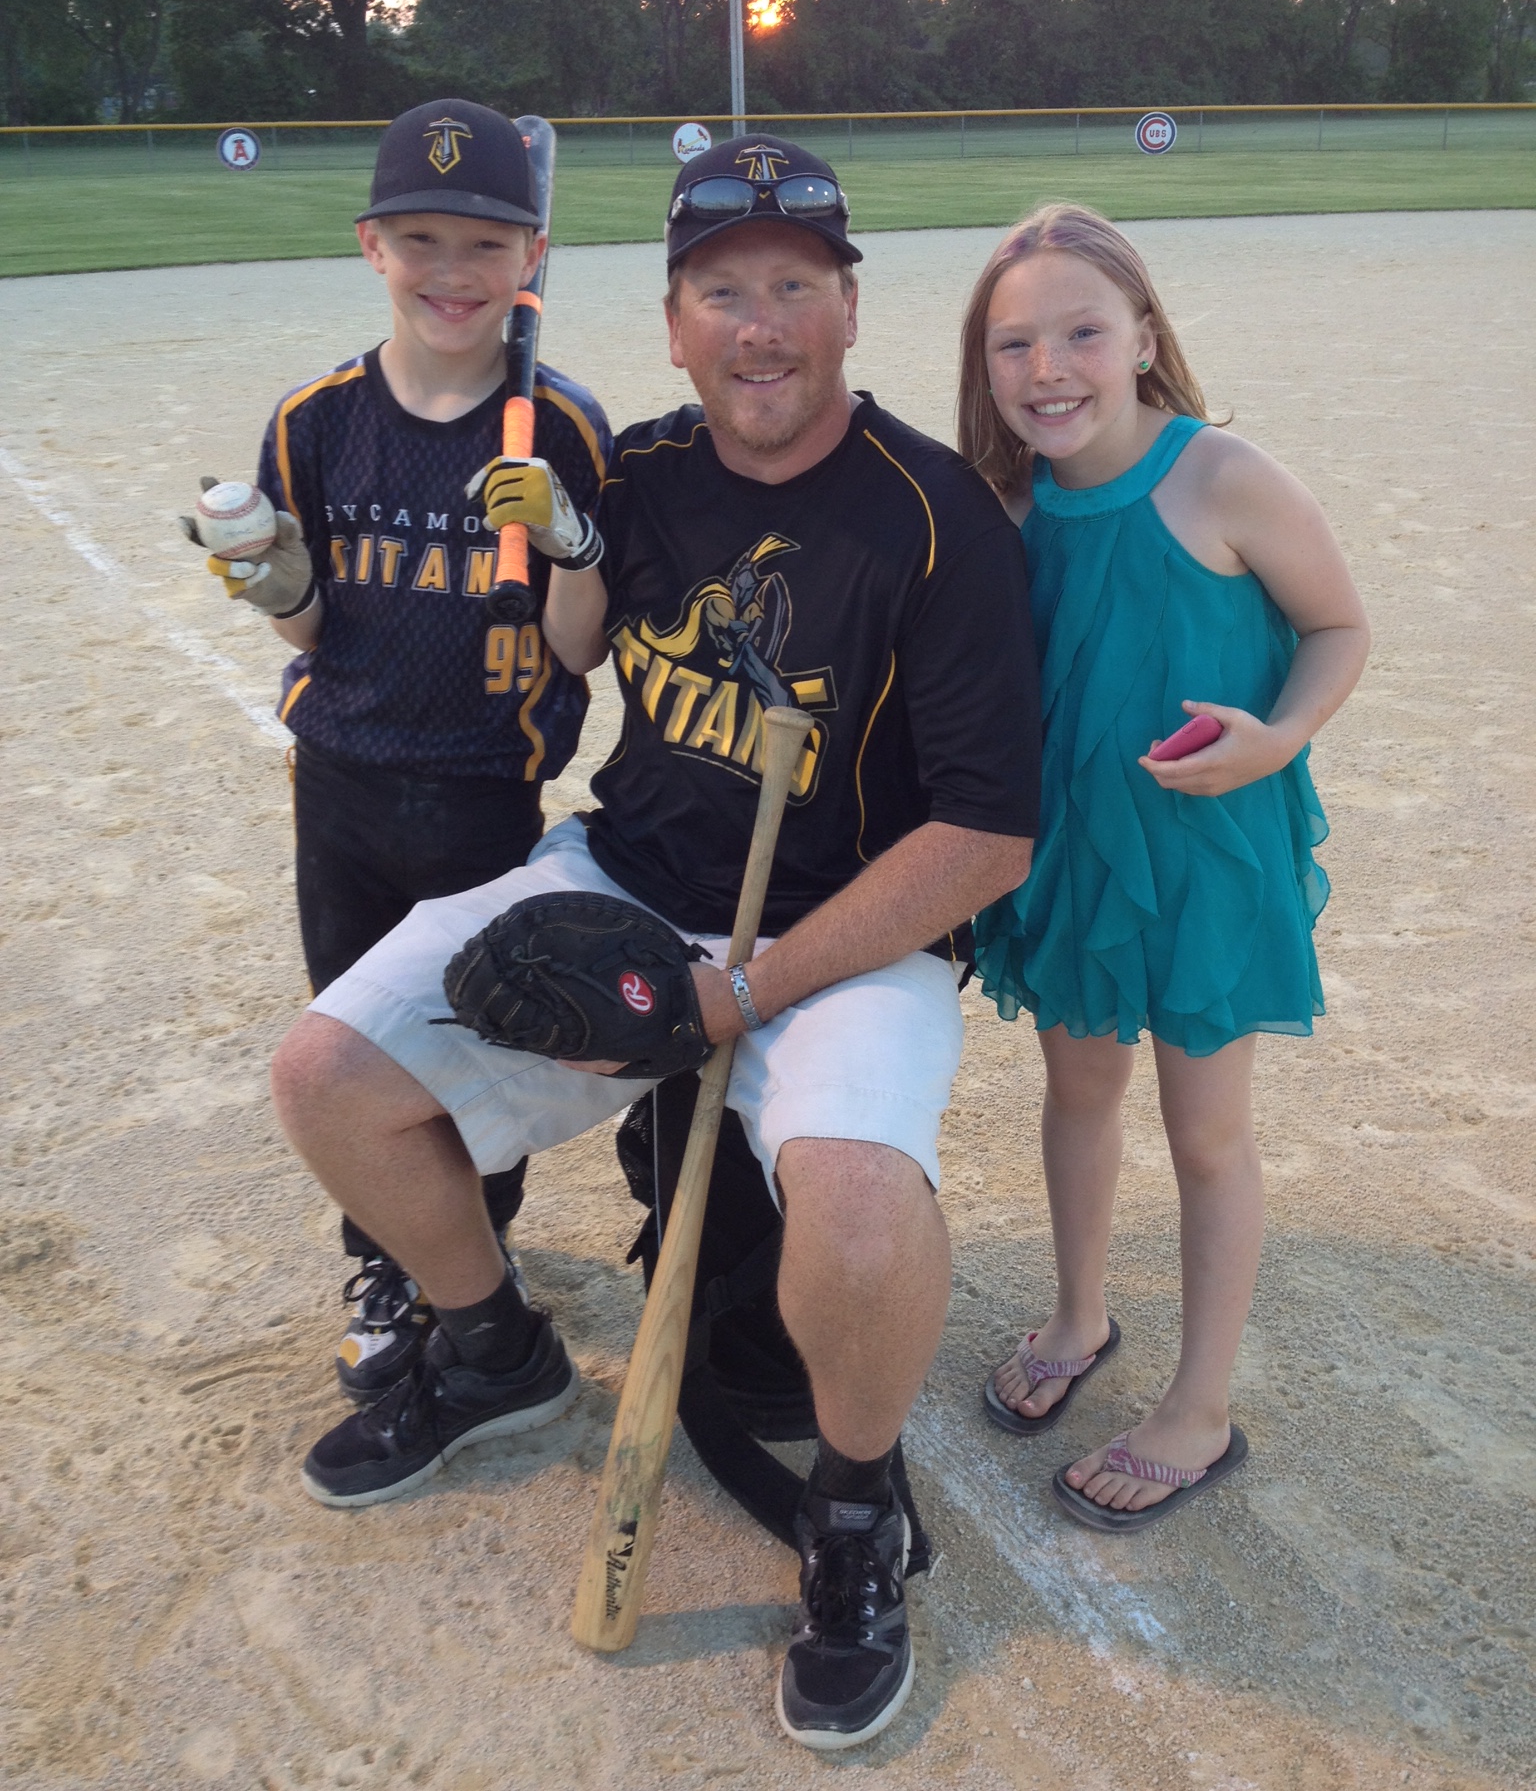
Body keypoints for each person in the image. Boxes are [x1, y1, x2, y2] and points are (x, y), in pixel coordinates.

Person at [267, 134, 1041, 1749]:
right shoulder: (639, 474)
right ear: (676, 325)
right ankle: (492, 1350)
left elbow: (984, 837)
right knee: (329, 1074)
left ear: (849, 309)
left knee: (858, 1210)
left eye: (795, 288)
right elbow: (557, 637)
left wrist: (743, 990)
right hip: (626, 880)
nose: (761, 327)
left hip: (844, 936)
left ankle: (851, 1511)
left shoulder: (938, 519)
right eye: (723, 292)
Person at [182, 99, 611, 1402]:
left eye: (486, 243)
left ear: (531, 257)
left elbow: (582, 650)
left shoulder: (564, 427)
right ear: (373, 245)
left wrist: (572, 542)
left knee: (477, 1038)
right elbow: (310, 625)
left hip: (487, 790)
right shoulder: (316, 422)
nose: (452, 271)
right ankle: (386, 1261)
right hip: (345, 785)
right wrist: (269, 577)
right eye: (421, 239)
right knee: (359, 1037)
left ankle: (472, 1255)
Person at [960, 204, 1369, 1530]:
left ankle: (1199, 1410)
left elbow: (1339, 625)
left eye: (1082, 331)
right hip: (1075, 859)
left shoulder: (1222, 477)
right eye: (1013, 343)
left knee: (1206, 1135)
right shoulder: (1006, 504)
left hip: (1207, 860)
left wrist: (1281, 739)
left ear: (1143, 335)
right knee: (1078, 1092)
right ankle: (1080, 1317)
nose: (1048, 368)